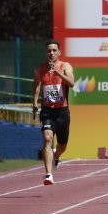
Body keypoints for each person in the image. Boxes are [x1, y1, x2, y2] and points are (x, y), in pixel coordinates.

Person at [32, 39, 74, 186]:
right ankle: (49, 175)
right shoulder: (40, 69)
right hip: (48, 111)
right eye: (49, 50)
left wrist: (58, 73)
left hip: (62, 111)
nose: (51, 53)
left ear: (59, 52)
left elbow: (71, 82)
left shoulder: (65, 66)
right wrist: (35, 102)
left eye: (54, 50)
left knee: (62, 146)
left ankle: (56, 156)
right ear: (46, 52)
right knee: (47, 138)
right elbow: (37, 85)